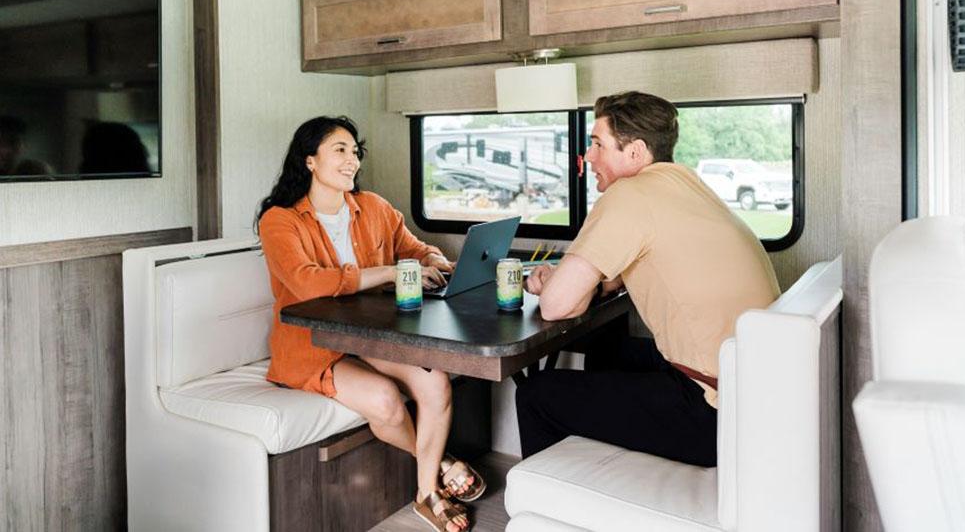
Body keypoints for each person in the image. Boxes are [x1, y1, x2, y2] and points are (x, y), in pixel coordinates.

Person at [515, 92, 780, 466]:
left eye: (597, 144)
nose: (587, 156)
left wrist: (554, 285)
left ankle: (549, 506)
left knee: (535, 393)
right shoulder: (686, 183)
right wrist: (575, 281)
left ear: (636, 153)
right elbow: (621, 273)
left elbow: (556, 306)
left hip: (712, 409)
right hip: (745, 390)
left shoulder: (630, 194)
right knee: (606, 352)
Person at [256, 116, 484, 532]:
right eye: (339, 150)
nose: (351, 161)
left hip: (370, 337)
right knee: (384, 401)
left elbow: (414, 247)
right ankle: (439, 468)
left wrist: (434, 260)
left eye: (354, 151)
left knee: (436, 382)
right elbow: (306, 283)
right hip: (311, 345)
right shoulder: (279, 220)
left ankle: (425, 495)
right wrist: (388, 273)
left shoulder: (374, 207)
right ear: (309, 161)